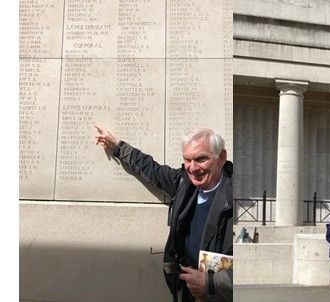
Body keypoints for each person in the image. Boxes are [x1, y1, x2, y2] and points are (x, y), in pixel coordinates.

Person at [94, 124, 233, 301]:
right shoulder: (183, 183)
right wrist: (117, 146)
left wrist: (210, 283)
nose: (192, 168)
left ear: (221, 157)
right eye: (187, 159)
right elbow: (152, 169)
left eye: (200, 159)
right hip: (186, 290)